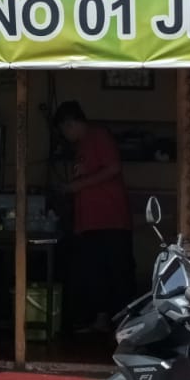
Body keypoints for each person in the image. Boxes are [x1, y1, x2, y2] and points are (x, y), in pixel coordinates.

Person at [54, 101, 134, 334]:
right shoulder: (81, 146)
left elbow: (113, 168)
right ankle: (100, 320)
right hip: (90, 223)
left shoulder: (98, 136)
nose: (66, 137)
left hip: (110, 218)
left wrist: (75, 186)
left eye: (65, 131)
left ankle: (125, 325)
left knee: (117, 273)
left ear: (71, 124)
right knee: (95, 273)